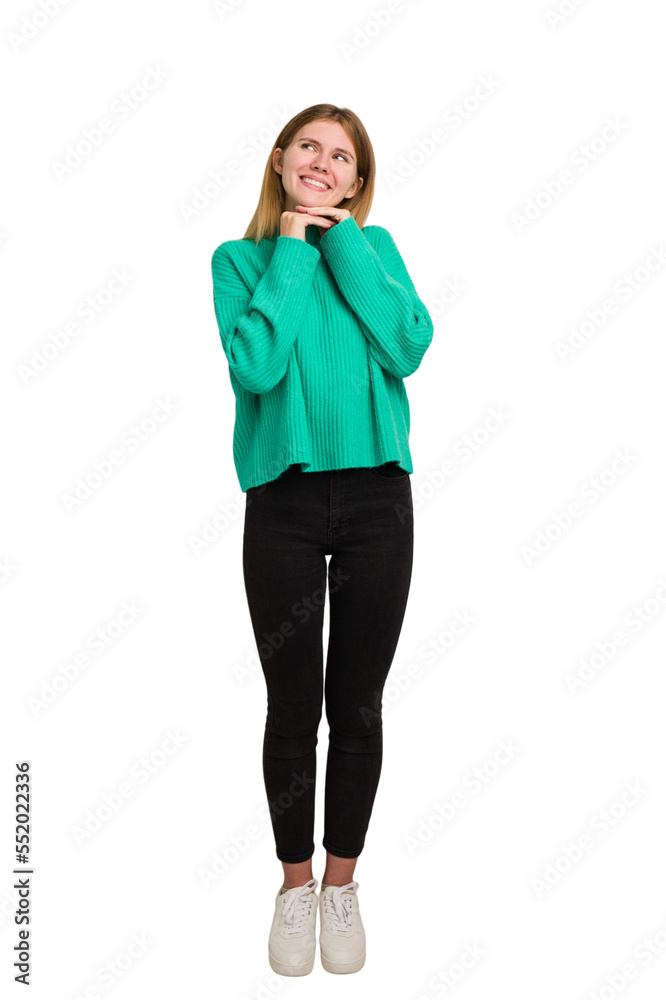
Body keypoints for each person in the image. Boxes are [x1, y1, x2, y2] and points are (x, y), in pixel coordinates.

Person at [210, 104, 434, 976]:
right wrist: (295, 250)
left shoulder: (374, 252)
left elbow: (408, 345)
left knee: (359, 706)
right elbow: (256, 366)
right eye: (309, 145)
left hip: (378, 501)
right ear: (279, 160)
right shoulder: (241, 263)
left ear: (357, 182)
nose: (323, 162)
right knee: (293, 707)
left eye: (342, 157)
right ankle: (295, 886)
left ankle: (343, 884)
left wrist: (341, 245)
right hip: (284, 505)